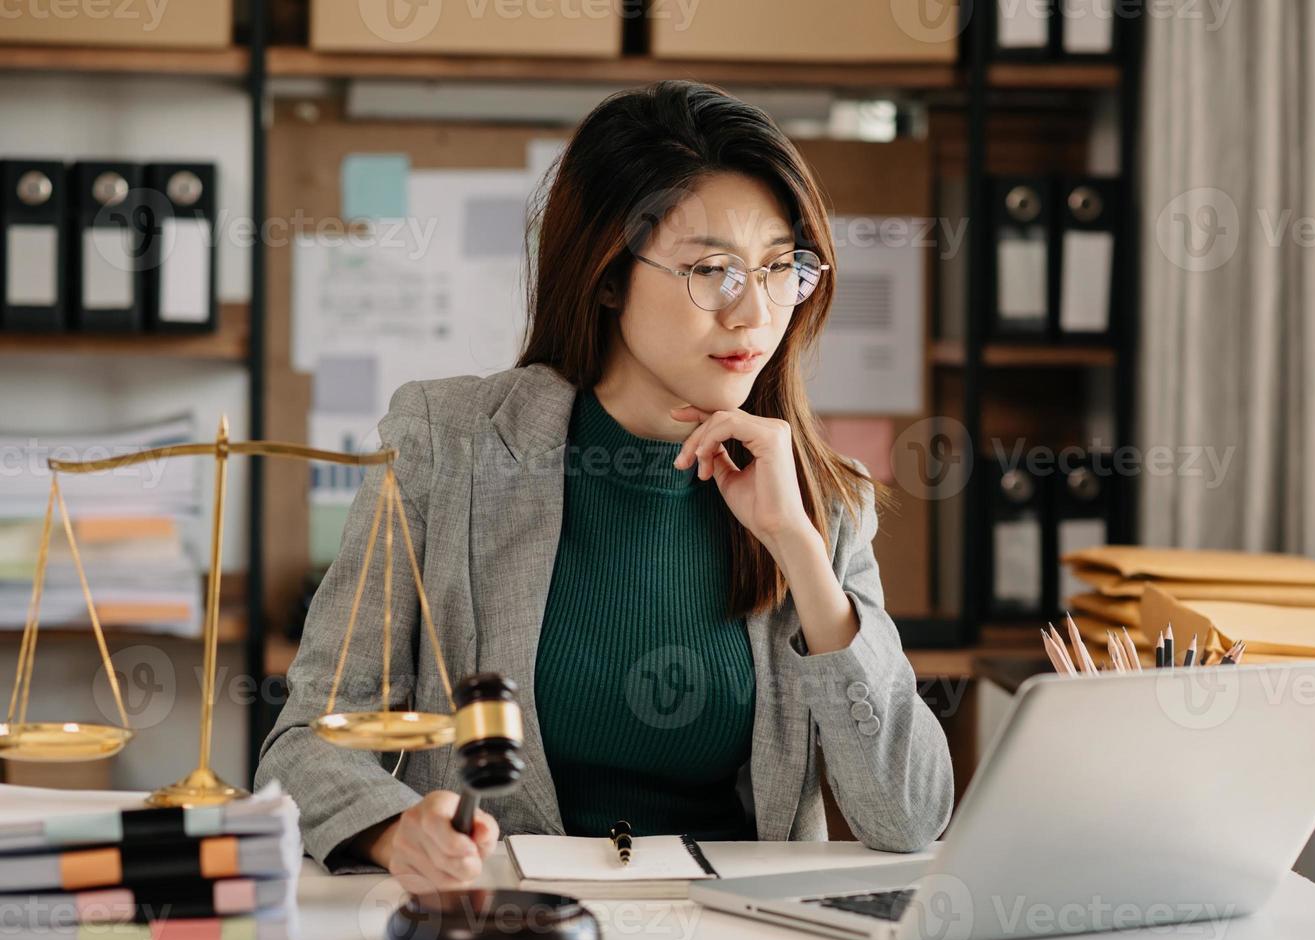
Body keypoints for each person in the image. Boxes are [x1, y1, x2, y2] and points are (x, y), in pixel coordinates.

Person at [256, 80, 954, 892]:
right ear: (609, 274)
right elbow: (305, 741)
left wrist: (799, 549)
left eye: (778, 270)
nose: (754, 314)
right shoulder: (447, 446)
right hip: (509, 927)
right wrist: (386, 828)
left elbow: (910, 816)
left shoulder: (821, 500)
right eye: (712, 271)